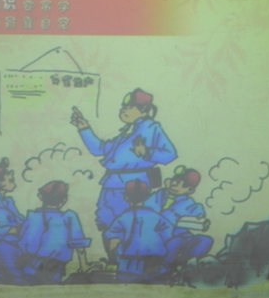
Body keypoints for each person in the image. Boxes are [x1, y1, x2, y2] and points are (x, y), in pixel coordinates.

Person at [70, 88, 177, 264]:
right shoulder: (126, 132)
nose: (123, 110)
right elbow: (100, 149)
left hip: (133, 185)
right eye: (123, 107)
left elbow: (170, 154)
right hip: (111, 184)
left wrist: (147, 152)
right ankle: (114, 262)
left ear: (143, 110)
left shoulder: (152, 127)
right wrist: (84, 128)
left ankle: (133, 262)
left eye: (129, 107)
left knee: (132, 223)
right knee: (107, 223)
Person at [19, 180, 94, 284]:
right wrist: (84, 265)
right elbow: (78, 244)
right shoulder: (69, 217)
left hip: (29, 264)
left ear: (41, 197)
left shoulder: (32, 216)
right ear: (64, 199)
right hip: (53, 266)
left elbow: (21, 240)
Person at [145, 165, 214, 272]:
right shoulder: (159, 195)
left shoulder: (187, 202)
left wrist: (200, 217)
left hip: (183, 235)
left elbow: (197, 211)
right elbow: (148, 209)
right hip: (163, 235)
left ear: (190, 190)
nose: (176, 185)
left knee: (205, 240)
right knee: (176, 243)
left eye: (184, 185)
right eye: (175, 181)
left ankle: (187, 261)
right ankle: (166, 267)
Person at [104, 180, 173, 283]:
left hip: (129, 259)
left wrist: (112, 259)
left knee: (128, 283)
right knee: (153, 284)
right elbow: (168, 234)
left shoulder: (123, 217)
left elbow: (114, 241)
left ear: (126, 197)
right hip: (154, 259)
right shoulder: (155, 216)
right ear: (147, 196)